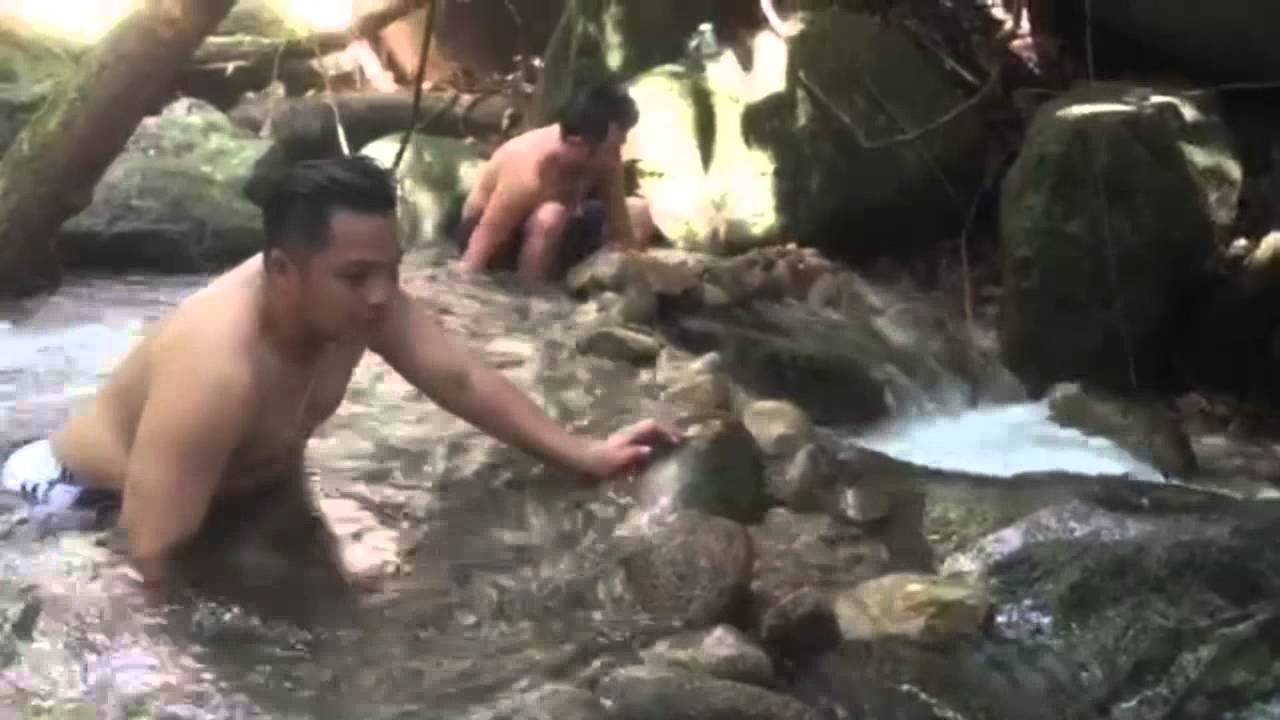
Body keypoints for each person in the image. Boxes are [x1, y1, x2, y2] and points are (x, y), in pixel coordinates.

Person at [0, 155, 677, 602]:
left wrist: (586, 453)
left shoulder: (359, 304)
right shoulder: (217, 369)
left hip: (238, 487)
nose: (383, 296)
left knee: (337, 607)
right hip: (72, 504)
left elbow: (461, 379)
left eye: (391, 268)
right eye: (357, 275)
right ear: (283, 271)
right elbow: (148, 552)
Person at [453, 83, 657, 282]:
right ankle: (532, 291)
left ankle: (574, 281)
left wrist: (640, 274)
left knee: (638, 210)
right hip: (495, 239)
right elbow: (482, 243)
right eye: (614, 147)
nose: (618, 156)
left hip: (557, 233)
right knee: (550, 215)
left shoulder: (604, 158)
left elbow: (621, 230)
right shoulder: (528, 170)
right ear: (578, 143)